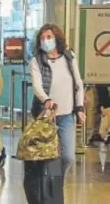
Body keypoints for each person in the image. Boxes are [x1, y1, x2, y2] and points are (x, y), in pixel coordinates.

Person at [30, 23, 85, 176]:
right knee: (47, 156)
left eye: (49, 37)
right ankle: (48, 188)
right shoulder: (37, 60)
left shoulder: (69, 56)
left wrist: (79, 107)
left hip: (67, 114)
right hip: (46, 116)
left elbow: (78, 84)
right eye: (42, 38)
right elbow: (37, 86)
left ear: (57, 38)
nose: (45, 40)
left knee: (68, 157)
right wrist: (47, 100)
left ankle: (56, 182)